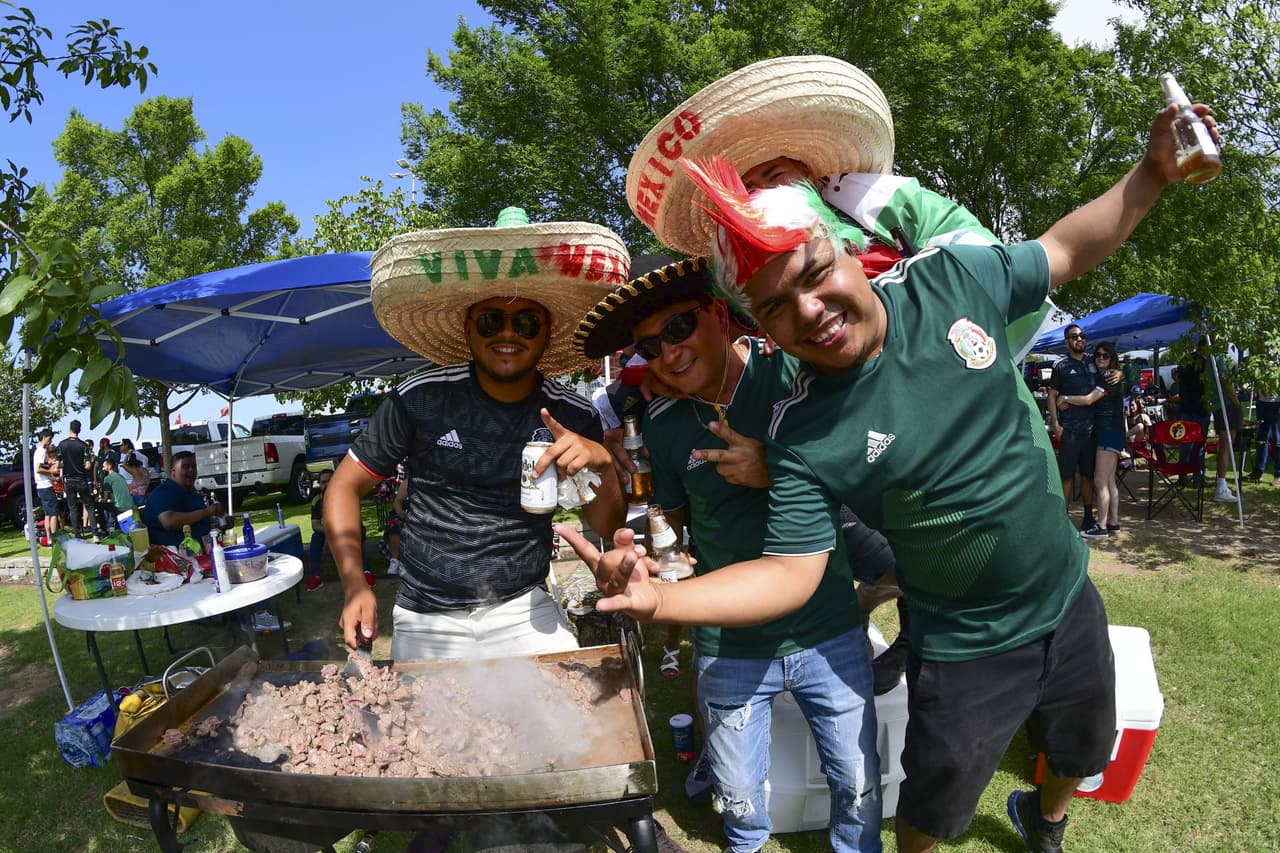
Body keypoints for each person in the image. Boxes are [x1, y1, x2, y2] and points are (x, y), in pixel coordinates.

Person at [585, 99, 1215, 853]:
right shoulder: (800, 428)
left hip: (1069, 594)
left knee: (1081, 751)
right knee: (935, 805)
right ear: (755, 318)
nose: (810, 311)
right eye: (777, 306)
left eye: (816, 274)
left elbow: (1063, 250)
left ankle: (1043, 818)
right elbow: (789, 569)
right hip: (966, 641)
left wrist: (1149, 173)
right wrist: (664, 597)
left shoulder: (949, 279)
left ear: (845, 248)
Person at [572, 253, 881, 852]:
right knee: (739, 802)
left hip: (826, 626)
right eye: (650, 346)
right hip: (728, 643)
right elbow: (672, 530)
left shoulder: (796, 374)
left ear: (717, 313)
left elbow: (867, 471)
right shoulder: (660, 425)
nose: (667, 352)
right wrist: (655, 564)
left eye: (679, 328)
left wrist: (778, 470)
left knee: (859, 788)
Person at [326, 207, 627, 662]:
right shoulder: (420, 397)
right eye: (491, 321)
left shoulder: (574, 413)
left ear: (547, 332)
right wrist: (353, 583)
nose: (508, 334)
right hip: (425, 614)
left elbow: (608, 524)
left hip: (523, 608)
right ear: (468, 329)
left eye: (526, 322)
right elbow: (344, 487)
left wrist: (601, 464)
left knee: (569, 715)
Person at [1057, 341, 1125, 537]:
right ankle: (1113, 522)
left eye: (1105, 355)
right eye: (1098, 355)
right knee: (1110, 480)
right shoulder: (1110, 376)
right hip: (1114, 431)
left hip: (1107, 430)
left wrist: (1066, 398)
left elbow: (1088, 399)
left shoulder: (1108, 378)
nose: (1101, 358)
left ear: (1112, 358)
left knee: (1100, 480)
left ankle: (1101, 527)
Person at [1047, 326, 1106, 534]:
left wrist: (1116, 371)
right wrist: (1055, 423)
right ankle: (1063, 519)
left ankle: (1088, 517)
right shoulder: (1061, 366)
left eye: (1082, 336)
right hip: (1069, 430)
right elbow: (1052, 396)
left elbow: (1111, 369)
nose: (1079, 339)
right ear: (1067, 342)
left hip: (1091, 430)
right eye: (1074, 337)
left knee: (1088, 475)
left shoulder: (1094, 361)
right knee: (1067, 476)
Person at [306, 467, 375, 591]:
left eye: (330, 481)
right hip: (330, 530)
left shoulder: (348, 495)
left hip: (349, 528)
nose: (327, 485)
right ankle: (316, 576)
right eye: (323, 482)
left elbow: (354, 519)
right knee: (316, 536)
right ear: (319, 485)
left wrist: (333, 533)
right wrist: (329, 534)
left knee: (353, 533)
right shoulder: (317, 500)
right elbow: (315, 524)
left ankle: (365, 571)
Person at [142, 451, 226, 548]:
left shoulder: (193, 494)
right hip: (175, 558)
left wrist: (222, 524)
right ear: (173, 471)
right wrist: (206, 512)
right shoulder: (163, 493)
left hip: (202, 553)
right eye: (185, 467)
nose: (191, 470)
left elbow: (199, 524)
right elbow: (169, 522)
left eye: (194, 467)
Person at [1198, 336, 1242, 503]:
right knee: (1226, 446)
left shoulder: (1210, 359)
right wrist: (1236, 401)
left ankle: (1221, 484)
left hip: (1218, 405)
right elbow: (1225, 381)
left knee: (1224, 445)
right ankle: (1221, 487)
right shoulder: (1219, 358)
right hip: (1226, 406)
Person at [56, 420, 97, 539]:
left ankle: (77, 534)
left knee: (73, 508)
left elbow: (58, 464)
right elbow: (88, 465)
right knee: (89, 506)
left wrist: (67, 465)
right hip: (81, 479)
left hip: (69, 480)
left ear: (70, 428)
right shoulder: (83, 445)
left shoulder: (62, 444)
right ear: (79, 430)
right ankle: (95, 533)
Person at [32, 428, 62, 540]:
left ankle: (49, 539)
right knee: (54, 514)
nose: (50, 442)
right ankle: (54, 538)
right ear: (44, 437)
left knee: (47, 515)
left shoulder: (38, 451)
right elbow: (38, 469)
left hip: (41, 486)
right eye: (49, 439)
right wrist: (51, 472)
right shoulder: (41, 451)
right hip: (45, 487)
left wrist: (51, 476)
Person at [96, 456, 133, 531]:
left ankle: (105, 528)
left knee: (99, 505)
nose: (102, 469)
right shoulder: (121, 476)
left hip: (120, 507)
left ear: (109, 467)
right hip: (129, 505)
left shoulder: (107, 479)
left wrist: (98, 499)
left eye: (104, 466)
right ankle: (111, 524)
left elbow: (105, 499)